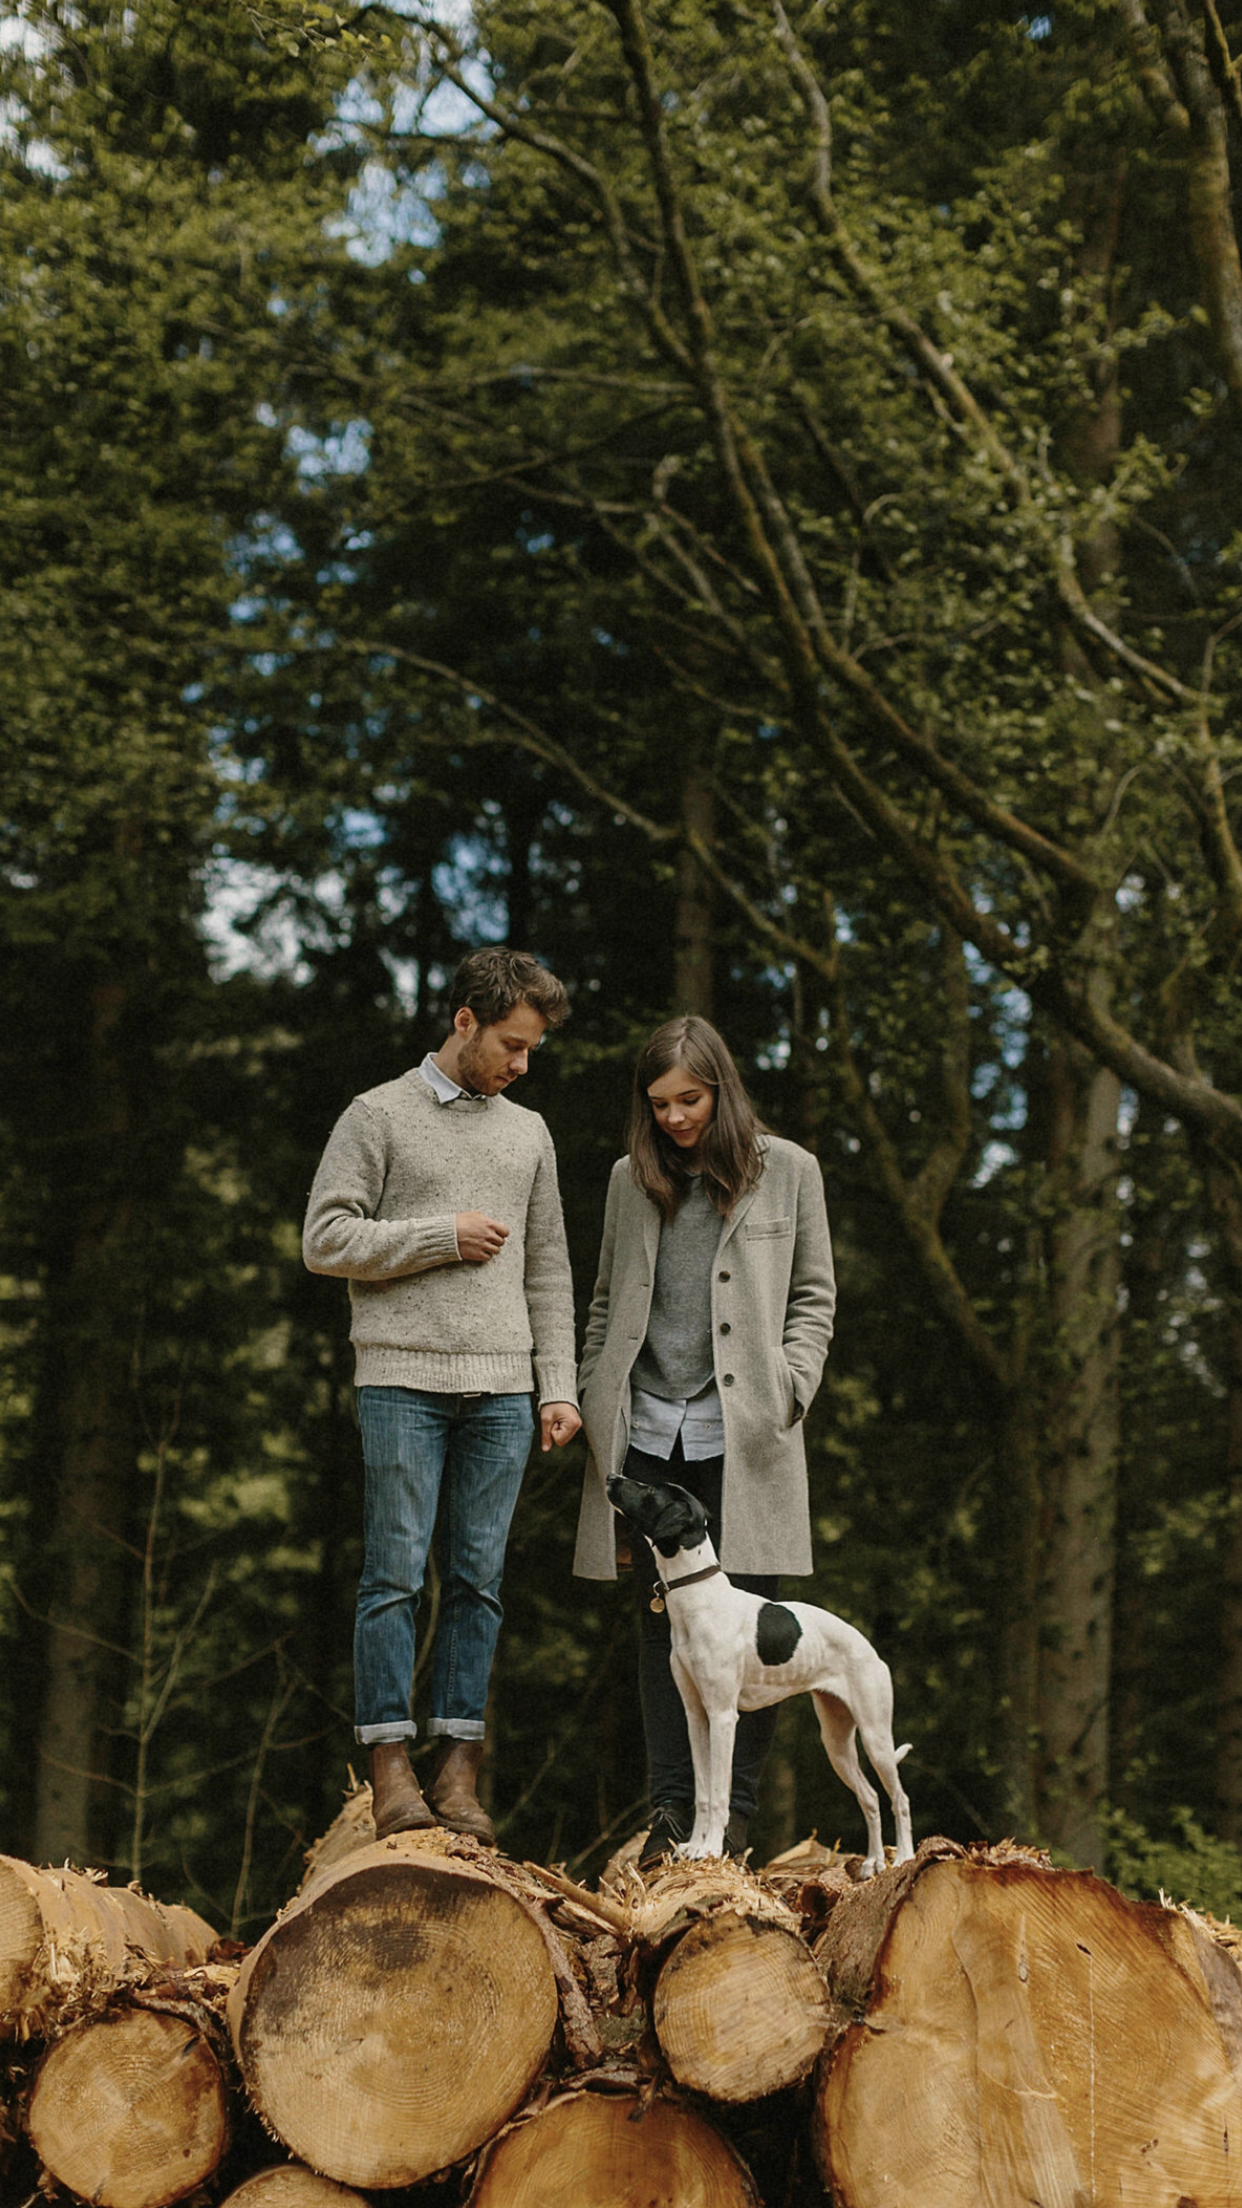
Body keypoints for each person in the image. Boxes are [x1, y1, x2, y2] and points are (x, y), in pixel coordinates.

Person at [303, 946, 582, 1843]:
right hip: (401, 1380)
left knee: (478, 1581)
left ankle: (458, 1769)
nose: (521, 1063)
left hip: (503, 1389)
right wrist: (439, 1235)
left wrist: (558, 1385)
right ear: (464, 1021)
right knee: (392, 1575)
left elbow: (548, 1267)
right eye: (511, 1043)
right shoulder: (375, 1115)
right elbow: (324, 1238)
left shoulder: (527, 1132)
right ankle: (390, 1766)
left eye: (532, 1049)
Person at [572, 1015, 835, 1864]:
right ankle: (673, 1818)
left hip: (747, 1436)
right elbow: (607, 1299)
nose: (676, 1118)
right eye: (659, 1105)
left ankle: (736, 1824)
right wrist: (591, 1390)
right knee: (666, 1630)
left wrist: (792, 1387)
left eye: (689, 1100)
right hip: (647, 1428)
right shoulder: (628, 1178)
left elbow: (814, 1298)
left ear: (720, 1089)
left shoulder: (789, 1170)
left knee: (749, 1628)